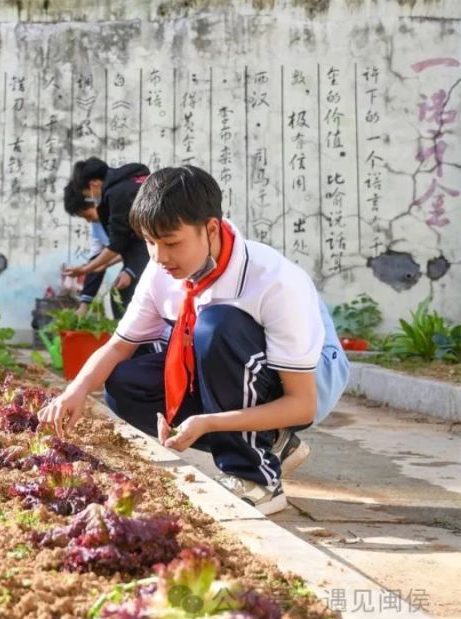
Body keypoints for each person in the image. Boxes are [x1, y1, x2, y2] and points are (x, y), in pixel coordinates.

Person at [39, 165, 349, 515]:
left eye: (171, 243)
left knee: (218, 324)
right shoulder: (161, 273)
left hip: (306, 381)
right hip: (239, 367)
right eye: (149, 243)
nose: (159, 257)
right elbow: (119, 346)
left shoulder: (272, 281)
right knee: (125, 383)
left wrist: (211, 422)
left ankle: (256, 478)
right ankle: (272, 442)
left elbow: (302, 403)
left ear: (211, 228)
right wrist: (73, 393)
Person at [63, 158, 150, 315]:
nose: (89, 220)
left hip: (158, 252)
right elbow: (109, 253)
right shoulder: (126, 185)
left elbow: (119, 244)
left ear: (93, 184)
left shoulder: (117, 195)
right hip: (148, 252)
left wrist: (85, 269)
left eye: (87, 215)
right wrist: (85, 302)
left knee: (131, 298)